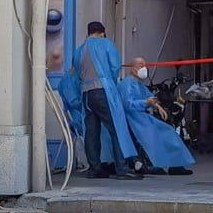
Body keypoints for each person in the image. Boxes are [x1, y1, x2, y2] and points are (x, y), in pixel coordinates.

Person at [70, 21, 140, 180]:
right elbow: (115, 67)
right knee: (117, 128)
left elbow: (76, 75)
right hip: (103, 91)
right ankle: (122, 168)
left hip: (86, 94)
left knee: (92, 132)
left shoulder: (79, 50)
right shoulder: (105, 43)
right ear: (102, 32)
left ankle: (94, 169)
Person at [117, 57, 195, 176]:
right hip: (133, 120)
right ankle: (169, 165)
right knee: (164, 132)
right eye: (140, 65)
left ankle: (175, 165)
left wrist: (158, 106)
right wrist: (145, 103)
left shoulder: (139, 84)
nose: (144, 68)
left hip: (141, 118)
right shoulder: (127, 84)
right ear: (132, 68)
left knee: (168, 131)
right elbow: (127, 104)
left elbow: (151, 98)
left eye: (145, 65)